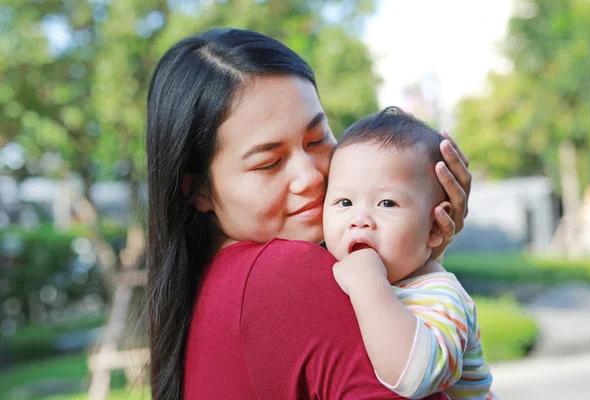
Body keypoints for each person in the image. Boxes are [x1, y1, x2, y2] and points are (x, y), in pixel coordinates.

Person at [145, 28, 472, 399]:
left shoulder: (210, 283)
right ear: (198, 189)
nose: (310, 176)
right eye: (268, 163)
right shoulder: (290, 273)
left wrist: (415, 240)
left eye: (317, 140)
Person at [323, 106, 494, 400]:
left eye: (387, 203)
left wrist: (368, 283)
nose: (360, 219)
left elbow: (417, 378)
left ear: (435, 229)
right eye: (344, 201)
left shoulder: (440, 294)